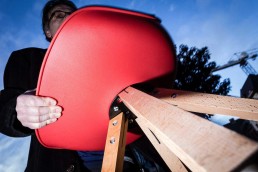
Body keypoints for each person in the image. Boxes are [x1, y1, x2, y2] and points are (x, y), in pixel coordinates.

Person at [0, 1, 89, 171]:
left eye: (72, 14)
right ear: (48, 31)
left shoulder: (104, 54)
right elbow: (5, 102)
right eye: (58, 15)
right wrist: (15, 109)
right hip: (63, 162)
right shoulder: (28, 59)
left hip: (129, 154)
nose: (68, 17)